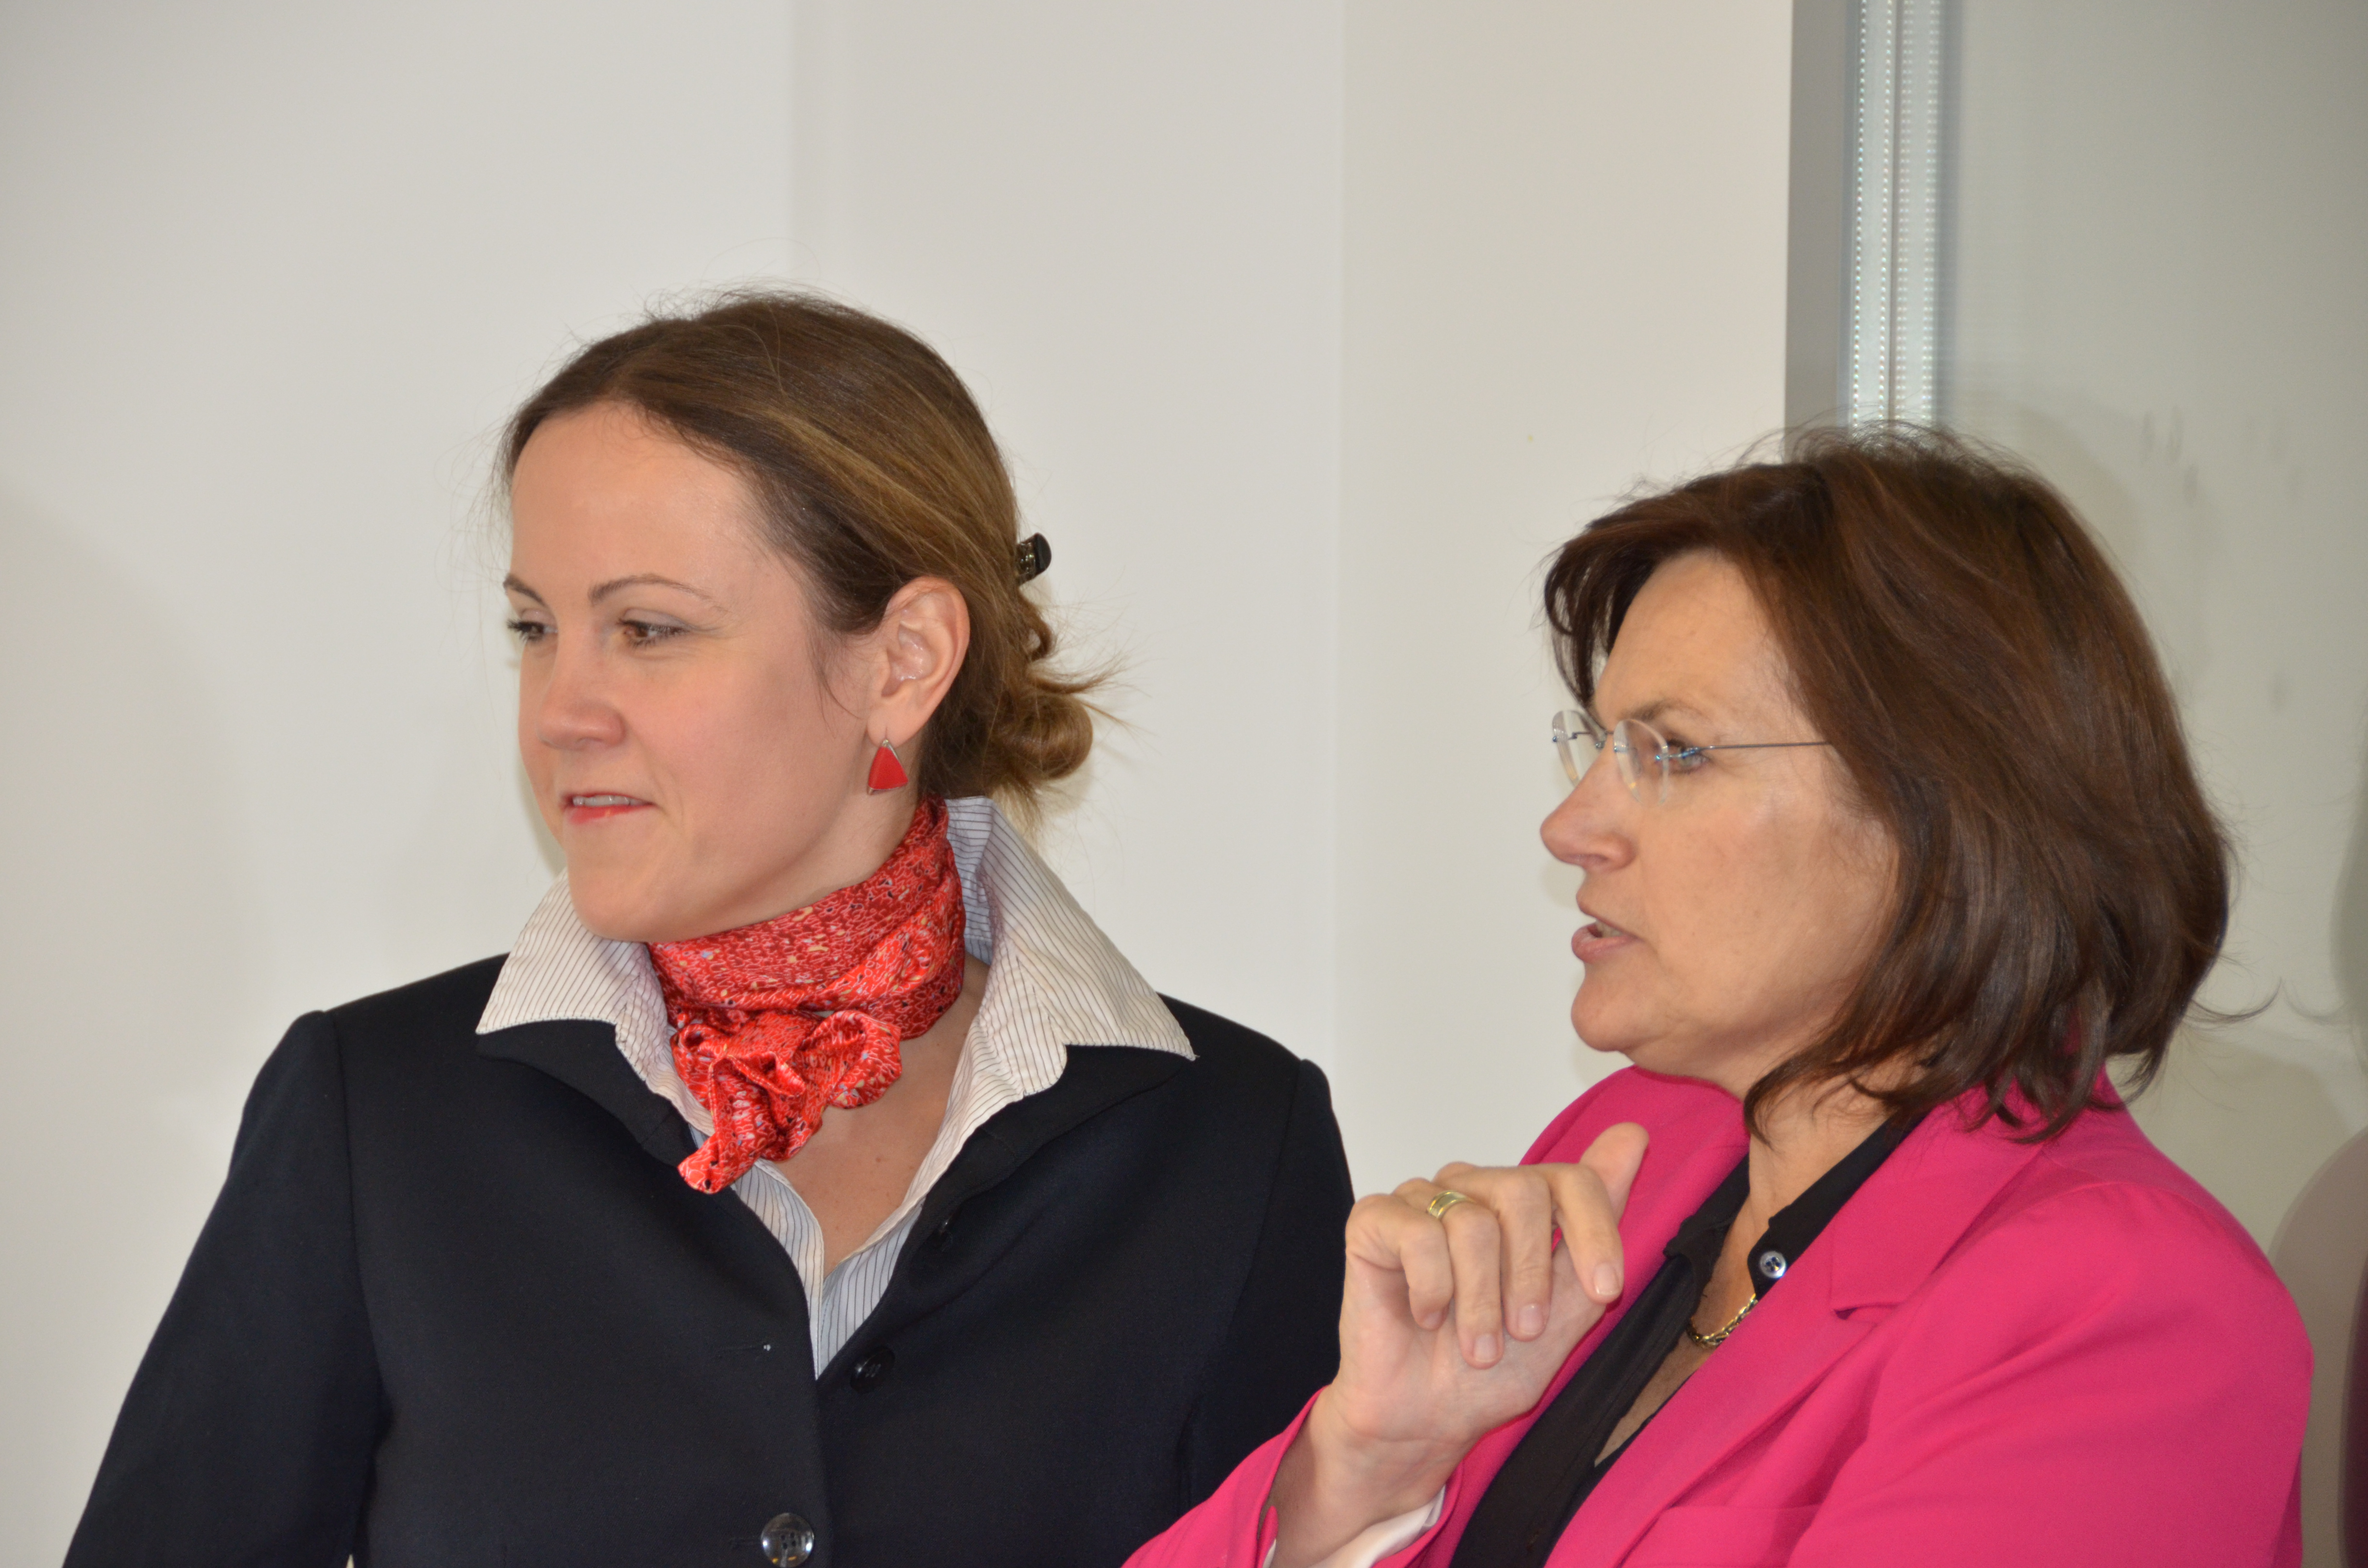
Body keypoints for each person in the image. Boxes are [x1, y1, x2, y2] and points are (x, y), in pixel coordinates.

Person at [67, 292, 1354, 1568]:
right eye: (535, 629)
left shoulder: (1230, 1146)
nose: (561, 711)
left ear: (902, 661)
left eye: (648, 629)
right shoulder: (376, 1113)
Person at [1127, 429, 2310, 1568]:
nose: (1571, 827)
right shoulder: (1636, 1145)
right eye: (1598, 744)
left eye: (1676, 752)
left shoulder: (2118, 1307)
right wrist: (1371, 1465)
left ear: (1944, 815)